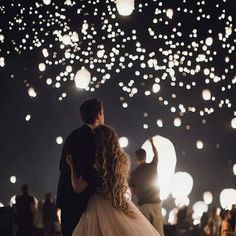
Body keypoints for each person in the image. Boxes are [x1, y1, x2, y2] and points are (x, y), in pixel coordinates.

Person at [66, 124, 161, 236]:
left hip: (97, 206)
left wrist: (72, 167)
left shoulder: (94, 165)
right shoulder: (121, 161)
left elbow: (77, 188)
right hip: (118, 202)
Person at [56, 98, 104, 236]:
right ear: (98, 115)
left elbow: (62, 166)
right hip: (84, 202)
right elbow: (90, 169)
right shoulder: (92, 137)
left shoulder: (72, 136)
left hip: (67, 198)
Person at [128, 138, 164, 236]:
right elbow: (156, 154)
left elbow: (132, 191)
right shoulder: (153, 166)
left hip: (143, 205)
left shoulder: (134, 174)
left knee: (145, 233)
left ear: (136, 158)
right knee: (158, 232)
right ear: (146, 156)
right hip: (156, 204)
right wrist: (152, 143)